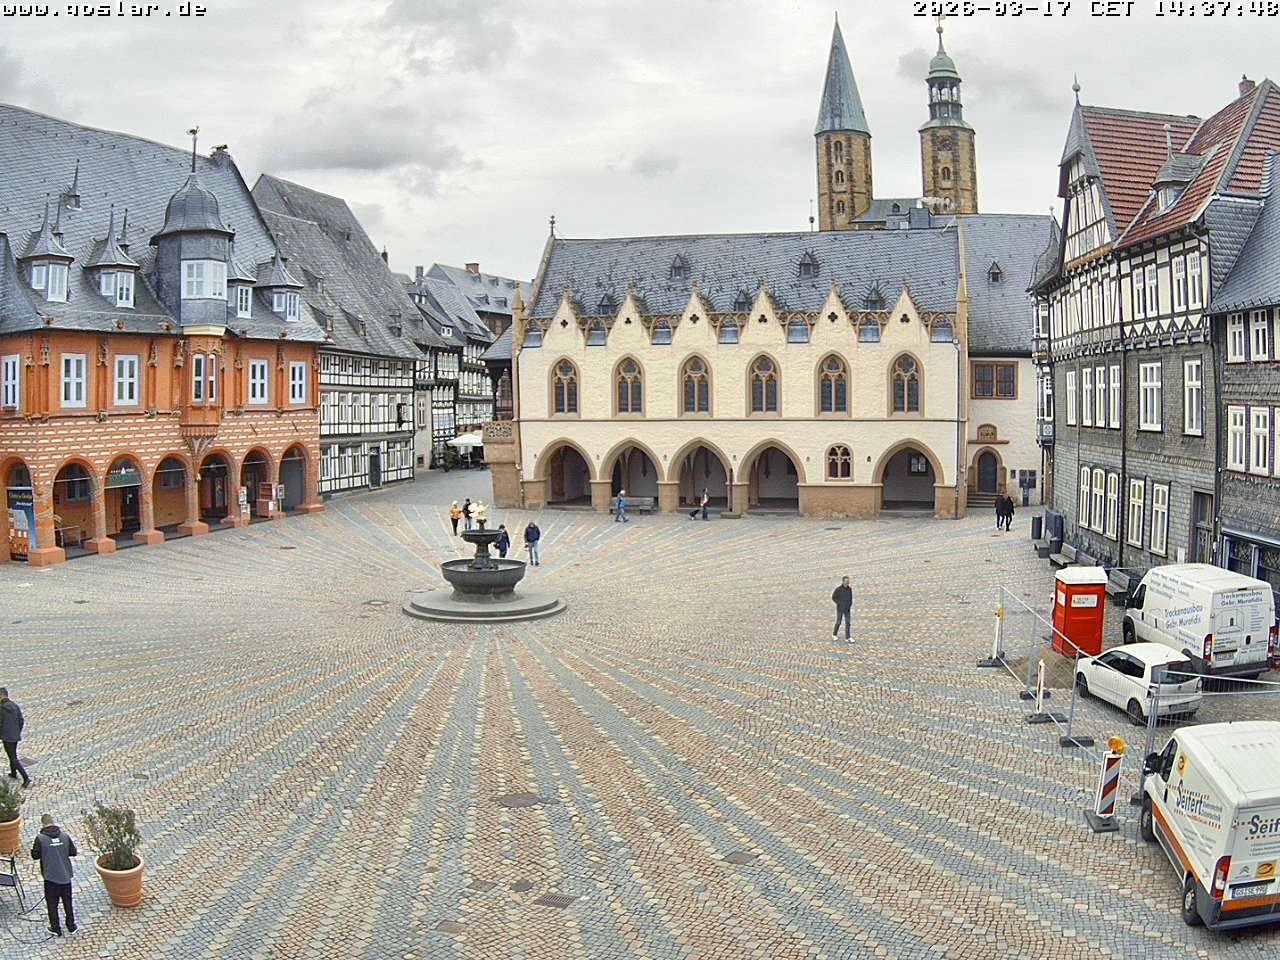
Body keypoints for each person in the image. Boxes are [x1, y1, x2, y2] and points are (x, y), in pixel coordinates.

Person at [31, 813, 77, 936]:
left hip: (50, 877)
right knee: (68, 902)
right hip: (66, 876)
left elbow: (35, 855)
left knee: (52, 904)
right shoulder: (65, 836)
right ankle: (71, 926)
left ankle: (56, 928)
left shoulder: (40, 838)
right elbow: (73, 852)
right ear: (53, 822)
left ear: (43, 824)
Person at [0, 688, 28, 788]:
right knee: (12, 754)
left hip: (7, 737)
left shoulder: (1, 708)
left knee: (13, 757)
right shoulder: (15, 706)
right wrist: (17, 731)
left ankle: (26, 777)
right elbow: (21, 720)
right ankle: (13, 773)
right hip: (15, 736)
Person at [831, 576, 854, 644]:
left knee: (848, 622)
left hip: (847, 609)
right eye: (846, 581)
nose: (847, 582)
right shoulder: (838, 589)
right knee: (838, 622)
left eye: (848, 581)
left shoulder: (849, 589)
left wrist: (850, 604)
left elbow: (850, 597)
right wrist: (839, 603)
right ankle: (834, 634)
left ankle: (848, 637)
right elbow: (834, 597)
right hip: (840, 609)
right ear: (843, 581)